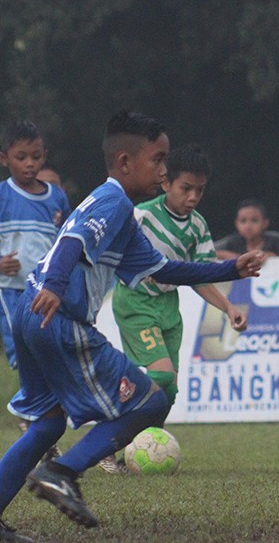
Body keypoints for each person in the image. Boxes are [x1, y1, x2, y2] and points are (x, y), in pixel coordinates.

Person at [0, 110, 265, 543]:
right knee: (151, 403)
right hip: (55, 315)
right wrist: (58, 285)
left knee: (46, 422)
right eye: (157, 160)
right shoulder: (113, 200)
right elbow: (74, 239)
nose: (163, 170)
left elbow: (165, 270)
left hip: (30, 311)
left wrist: (232, 268)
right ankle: (60, 472)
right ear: (124, 162)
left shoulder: (123, 218)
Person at [105, 144, 248, 472]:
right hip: (135, 300)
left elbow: (200, 276)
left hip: (169, 306)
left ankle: (146, 445)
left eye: (200, 190)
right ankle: (110, 439)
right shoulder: (141, 216)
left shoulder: (198, 227)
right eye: (186, 188)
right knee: (160, 373)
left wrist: (227, 308)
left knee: (169, 389)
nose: (193, 197)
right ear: (166, 183)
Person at [0, 124, 70, 368]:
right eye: (21, 157)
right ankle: (35, 403)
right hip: (12, 291)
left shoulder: (57, 198)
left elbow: (67, 245)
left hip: (47, 293)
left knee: (53, 356)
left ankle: (47, 405)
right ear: (4, 159)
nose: (29, 163)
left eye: (36, 156)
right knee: (25, 358)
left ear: (45, 156)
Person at [0, 163, 66, 332]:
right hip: (15, 291)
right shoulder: (9, 209)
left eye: (53, 184)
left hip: (50, 294)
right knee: (21, 347)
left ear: (62, 189)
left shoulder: (65, 221)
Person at [214, 199, 279, 260]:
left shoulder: (275, 239)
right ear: (236, 223)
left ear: (265, 223)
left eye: (254, 220)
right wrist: (225, 255)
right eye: (243, 221)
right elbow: (206, 251)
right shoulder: (232, 242)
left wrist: (272, 256)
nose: (248, 226)